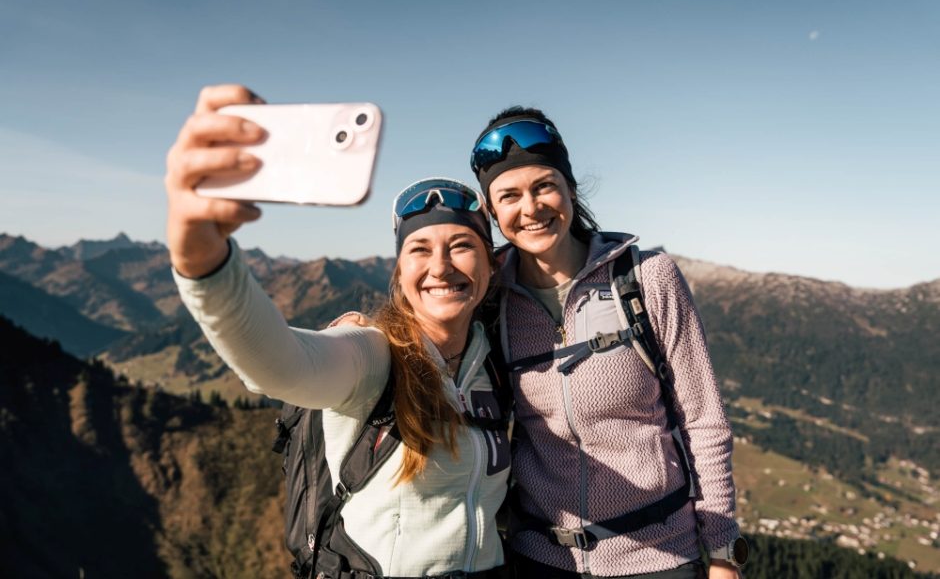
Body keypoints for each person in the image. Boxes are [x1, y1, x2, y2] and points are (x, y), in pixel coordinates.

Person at [165, 84, 510, 578]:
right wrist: (201, 259)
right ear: (399, 273)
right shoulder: (373, 356)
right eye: (419, 249)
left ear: (491, 265)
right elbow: (281, 364)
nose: (440, 265)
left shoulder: (496, 358)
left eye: (461, 245)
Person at [469, 107, 745, 579]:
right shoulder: (491, 297)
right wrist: (364, 328)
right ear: (493, 212)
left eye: (544, 186)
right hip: (540, 559)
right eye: (509, 196)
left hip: (659, 557)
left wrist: (722, 551)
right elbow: (428, 325)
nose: (530, 208)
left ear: (570, 190)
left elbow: (703, 419)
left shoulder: (646, 278)